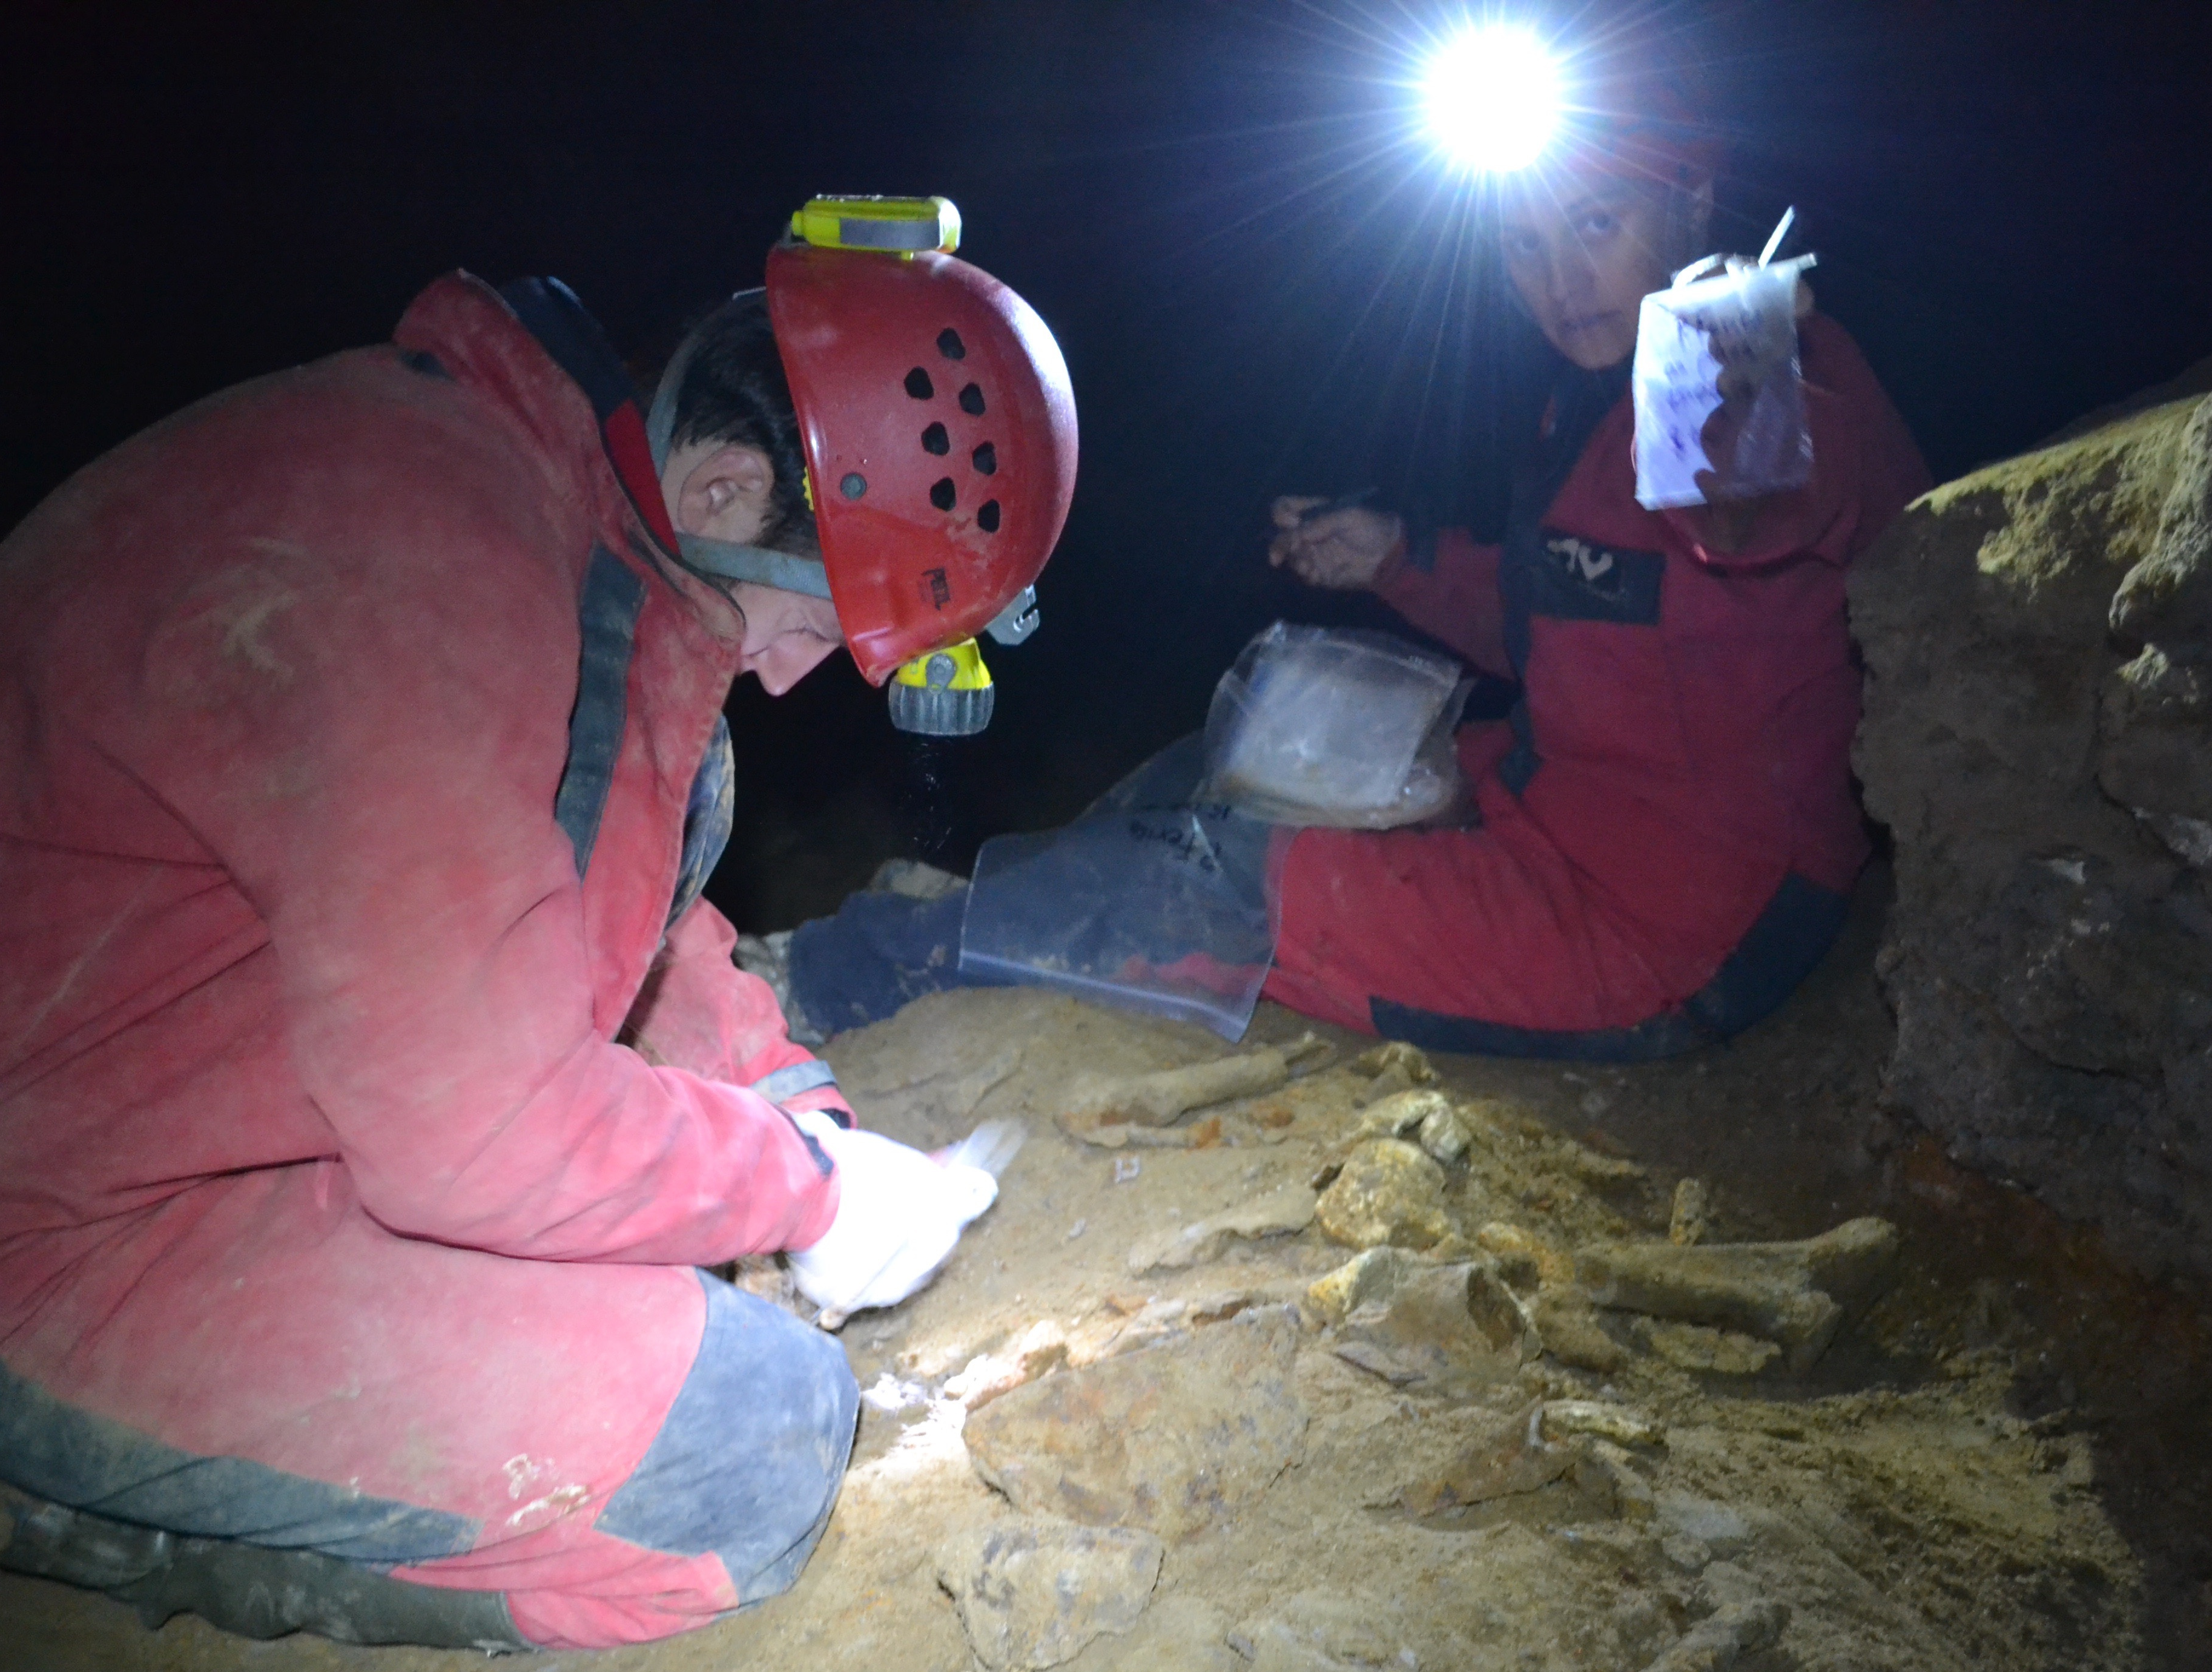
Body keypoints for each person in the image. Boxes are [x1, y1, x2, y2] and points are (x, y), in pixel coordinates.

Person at [0, 205, 1078, 1651]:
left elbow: (600, 894)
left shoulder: (550, 519)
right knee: (753, 1441)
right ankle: (142, 1523)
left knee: (661, 1198)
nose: (793, 685)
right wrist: (804, 1191)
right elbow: (480, 1130)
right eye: (809, 636)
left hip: (230, 1112)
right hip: (47, 1233)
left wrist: (803, 1107)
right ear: (731, 486)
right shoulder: (422, 554)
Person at [782, 98, 1927, 1059]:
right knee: (1239, 746)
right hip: (1542, 796)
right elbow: (1570, 631)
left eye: (1595, 224)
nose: (1560, 280)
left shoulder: (1783, 376)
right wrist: (1394, 558)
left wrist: (1735, 364)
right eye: (1525, 244)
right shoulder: (1583, 399)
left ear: (1690, 197)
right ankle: (1005, 903)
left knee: (1214, 877)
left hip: (1666, 925)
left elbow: (1747, 511)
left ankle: (825, 980)